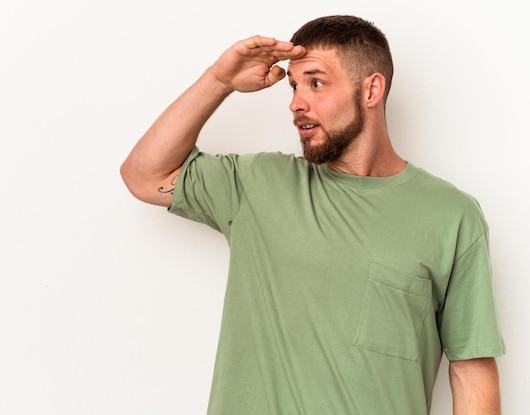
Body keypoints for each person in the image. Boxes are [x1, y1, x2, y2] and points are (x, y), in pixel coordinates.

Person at [120, 15, 505, 415]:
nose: (296, 103)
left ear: (372, 89)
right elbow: (145, 176)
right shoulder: (257, 185)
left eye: (316, 83)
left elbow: (470, 366)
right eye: (293, 85)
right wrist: (219, 80)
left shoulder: (450, 215)